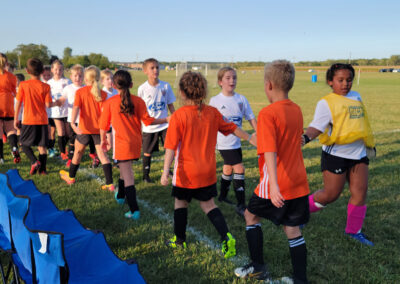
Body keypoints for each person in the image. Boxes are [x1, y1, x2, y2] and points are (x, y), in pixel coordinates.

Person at [161, 71, 256, 258]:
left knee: (180, 203)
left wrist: (165, 172)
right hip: (207, 172)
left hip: (186, 173)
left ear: (182, 92)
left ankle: (179, 240)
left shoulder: (178, 116)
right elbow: (232, 127)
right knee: (209, 205)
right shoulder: (212, 112)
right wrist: (250, 137)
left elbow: (170, 148)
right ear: (204, 90)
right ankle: (226, 236)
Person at [234, 60, 309, 283]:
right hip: (298, 180)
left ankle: (258, 268)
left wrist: (274, 186)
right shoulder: (296, 109)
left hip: (276, 183)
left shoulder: (268, 113)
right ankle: (300, 279)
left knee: (250, 214)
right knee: (293, 229)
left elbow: (270, 150)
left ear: (268, 85)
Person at [302, 63, 375, 246]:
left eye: (349, 80)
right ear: (330, 81)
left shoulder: (356, 96)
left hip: (358, 154)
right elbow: (317, 126)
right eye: (340, 80)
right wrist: (304, 138)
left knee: (360, 192)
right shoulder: (326, 102)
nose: (345, 84)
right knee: (330, 195)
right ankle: (300, 211)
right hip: (336, 155)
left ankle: (353, 232)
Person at [100, 70, 168, 220]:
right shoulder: (138, 101)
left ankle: (134, 210)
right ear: (131, 84)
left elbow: (103, 125)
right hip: (136, 142)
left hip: (121, 143)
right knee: (125, 171)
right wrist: (165, 119)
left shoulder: (110, 102)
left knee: (128, 175)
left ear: (113, 85)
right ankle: (120, 196)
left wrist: (103, 140)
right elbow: (148, 121)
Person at [209, 67, 257, 216]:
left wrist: (259, 131)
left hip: (236, 142)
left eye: (234, 78)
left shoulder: (241, 99)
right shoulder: (215, 101)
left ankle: (222, 195)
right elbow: (209, 122)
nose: (232, 81)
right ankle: (241, 204)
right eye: (228, 78)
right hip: (223, 143)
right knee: (239, 168)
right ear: (220, 82)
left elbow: (250, 117)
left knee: (228, 168)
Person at [59, 65, 114, 190]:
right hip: (99, 130)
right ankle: (110, 183)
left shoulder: (80, 92)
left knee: (77, 153)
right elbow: (107, 115)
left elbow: (75, 109)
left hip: (84, 129)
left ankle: (71, 177)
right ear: (99, 79)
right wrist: (107, 132)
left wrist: (72, 123)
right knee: (103, 156)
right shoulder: (104, 94)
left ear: (85, 79)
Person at [14, 58, 64, 174]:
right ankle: (43, 170)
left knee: (23, 144)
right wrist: (57, 103)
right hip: (42, 121)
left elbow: (18, 103)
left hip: (28, 120)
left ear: (27, 71)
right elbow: (48, 104)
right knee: (42, 147)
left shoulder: (23, 85)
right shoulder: (45, 86)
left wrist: (16, 118)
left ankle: (34, 161)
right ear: (42, 71)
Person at [138, 58, 176, 183]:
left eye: (157, 67)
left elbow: (170, 104)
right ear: (145, 71)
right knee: (148, 152)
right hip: (150, 127)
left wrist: (175, 118)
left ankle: (167, 170)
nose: (155, 70)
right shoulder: (142, 88)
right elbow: (140, 109)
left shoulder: (165, 85)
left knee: (169, 149)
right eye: (152, 68)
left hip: (165, 125)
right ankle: (146, 175)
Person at [47, 60, 71, 159]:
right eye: (56, 69)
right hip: (55, 112)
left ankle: (64, 148)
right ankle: (63, 152)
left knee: (68, 133)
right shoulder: (48, 83)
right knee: (60, 131)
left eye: (60, 69)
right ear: (52, 70)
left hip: (67, 111)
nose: (58, 71)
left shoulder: (67, 81)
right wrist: (54, 102)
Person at [0, 53, 20, 164]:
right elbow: (15, 92)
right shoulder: (12, 76)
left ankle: (1, 158)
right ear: (6, 63)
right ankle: (14, 149)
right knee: (11, 130)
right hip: (8, 104)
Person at [100, 69, 118, 153]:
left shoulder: (116, 91)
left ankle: (116, 160)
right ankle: (101, 157)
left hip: (115, 121)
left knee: (116, 143)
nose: (110, 80)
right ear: (102, 81)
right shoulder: (102, 93)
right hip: (106, 123)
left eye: (111, 78)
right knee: (109, 145)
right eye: (107, 79)